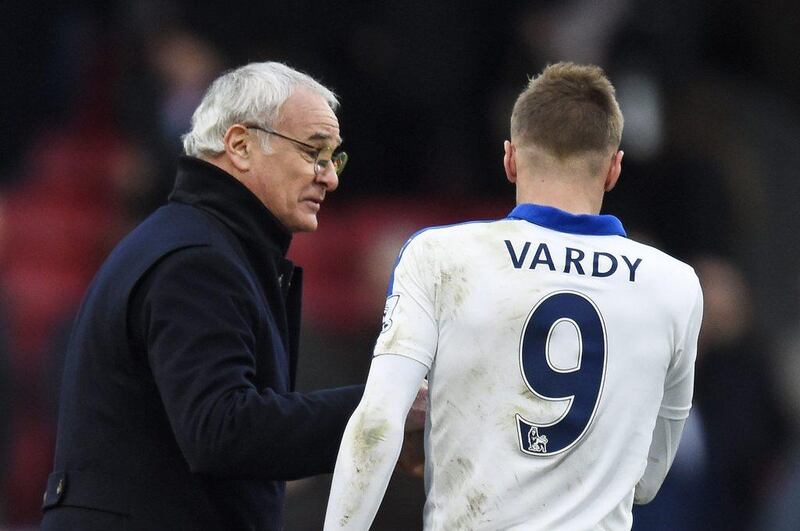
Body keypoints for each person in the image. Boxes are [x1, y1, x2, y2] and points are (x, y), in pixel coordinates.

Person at [41, 61, 422, 531]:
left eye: (333, 158)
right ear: (240, 145)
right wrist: (382, 409)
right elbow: (220, 429)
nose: (330, 177)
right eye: (314, 152)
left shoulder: (197, 243)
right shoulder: (196, 259)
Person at [324, 62, 703, 530]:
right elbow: (647, 479)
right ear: (613, 169)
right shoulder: (675, 284)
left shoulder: (439, 256)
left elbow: (377, 422)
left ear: (509, 158)